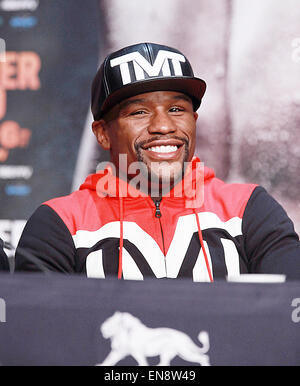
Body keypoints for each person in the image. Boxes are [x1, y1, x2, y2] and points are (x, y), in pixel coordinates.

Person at [15, 42, 300, 280]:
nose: (163, 126)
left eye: (177, 109)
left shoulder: (249, 209)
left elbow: (288, 320)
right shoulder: (60, 223)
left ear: (194, 121)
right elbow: (43, 337)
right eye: (139, 112)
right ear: (102, 134)